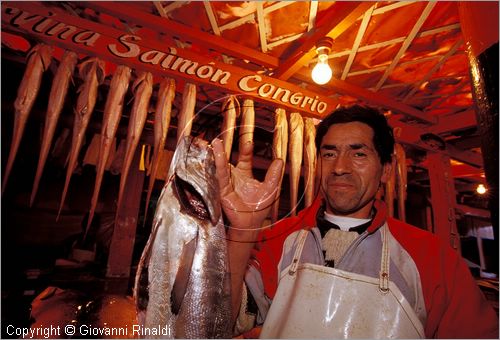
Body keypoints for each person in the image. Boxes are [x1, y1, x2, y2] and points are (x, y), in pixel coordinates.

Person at [212, 105, 499, 339]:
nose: (340, 168)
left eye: (358, 154)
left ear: (386, 170)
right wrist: (241, 232)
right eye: (329, 153)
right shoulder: (279, 238)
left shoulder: (432, 257)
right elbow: (219, 323)